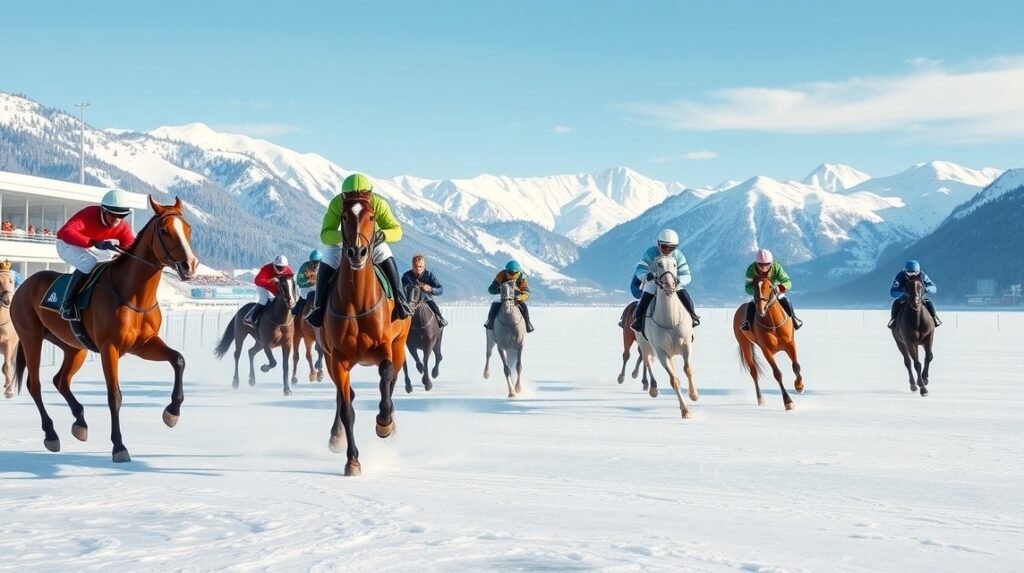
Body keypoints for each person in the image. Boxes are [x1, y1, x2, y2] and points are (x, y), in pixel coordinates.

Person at [304, 173, 412, 327]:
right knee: (327, 257)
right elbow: (326, 234)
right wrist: (345, 236)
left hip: (373, 242)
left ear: (369, 195)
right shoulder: (337, 203)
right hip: (345, 243)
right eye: (349, 197)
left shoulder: (378, 203)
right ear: (344, 196)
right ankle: (318, 307)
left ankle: (401, 301)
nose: (355, 199)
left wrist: (381, 235)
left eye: (361, 196)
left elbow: (397, 231)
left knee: (386, 253)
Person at [55, 189, 135, 320]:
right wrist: (93, 242)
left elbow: (131, 248)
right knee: (88, 262)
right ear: (103, 210)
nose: (117, 220)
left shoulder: (122, 227)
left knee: (110, 261)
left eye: (121, 216)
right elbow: (66, 231)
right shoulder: (90, 213)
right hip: (66, 244)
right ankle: (67, 304)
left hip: (90, 247)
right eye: (113, 215)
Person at [630, 229, 701, 333]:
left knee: (685, 294)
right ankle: (638, 321)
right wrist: (647, 276)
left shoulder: (678, 256)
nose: (667, 249)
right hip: (654, 283)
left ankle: (693, 316)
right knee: (646, 296)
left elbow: (686, 275)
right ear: (658, 244)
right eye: (664, 246)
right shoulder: (650, 253)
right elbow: (640, 269)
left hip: (672, 284)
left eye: (672, 247)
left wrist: (677, 281)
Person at [740, 248, 802, 331]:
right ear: (756, 263)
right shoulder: (751, 270)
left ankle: (794, 319)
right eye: (760, 265)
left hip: (775, 291)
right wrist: (758, 290)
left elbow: (787, 282)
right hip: (759, 294)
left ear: (771, 263)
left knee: (784, 300)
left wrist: (778, 288)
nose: (764, 267)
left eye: (767, 264)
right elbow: (747, 288)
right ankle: (747, 323)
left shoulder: (777, 268)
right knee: (752, 303)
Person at [484, 260, 535, 333]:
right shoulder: (500, 276)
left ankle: (528, 323)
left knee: (524, 306)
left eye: (514, 273)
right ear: (506, 271)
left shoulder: (523, 278)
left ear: (518, 273)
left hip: (516, 299)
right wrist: (502, 290)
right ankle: (490, 322)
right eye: (509, 273)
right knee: (494, 305)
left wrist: (520, 297)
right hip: (504, 298)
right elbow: (491, 290)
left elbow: (526, 292)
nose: (511, 275)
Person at [245, 254, 294, 326]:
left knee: (289, 299)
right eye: (278, 267)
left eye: (282, 268)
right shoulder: (266, 268)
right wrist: (271, 281)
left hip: (277, 288)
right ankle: (252, 318)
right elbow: (257, 280)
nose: (280, 269)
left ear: (286, 267)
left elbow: (290, 283)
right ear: (273, 264)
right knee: (264, 299)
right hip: (263, 287)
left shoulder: (289, 271)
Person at [888, 259, 940, 327]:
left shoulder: (922, 275)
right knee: (896, 302)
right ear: (905, 271)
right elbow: (893, 292)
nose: (912, 276)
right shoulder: (900, 276)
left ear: (918, 271)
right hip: (905, 298)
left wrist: (925, 289)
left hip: (919, 297)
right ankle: (893, 319)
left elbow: (934, 288)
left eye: (915, 273)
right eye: (910, 273)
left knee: (928, 302)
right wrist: (904, 292)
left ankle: (935, 318)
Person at [401, 254, 448, 327]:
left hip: (425, 299)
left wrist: (431, 289)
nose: (418, 269)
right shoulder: (406, 276)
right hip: (409, 300)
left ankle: (440, 318)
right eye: (415, 266)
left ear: (424, 266)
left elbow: (440, 289)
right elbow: (402, 289)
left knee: (431, 302)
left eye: (420, 266)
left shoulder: (429, 275)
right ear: (412, 266)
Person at [294, 250, 322, 316]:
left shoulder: (323, 266)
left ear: (320, 260)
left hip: (319, 287)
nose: (314, 264)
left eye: (316, 262)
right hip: (307, 287)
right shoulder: (304, 266)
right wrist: (308, 282)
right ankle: (297, 312)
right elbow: (299, 280)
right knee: (304, 296)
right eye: (313, 261)